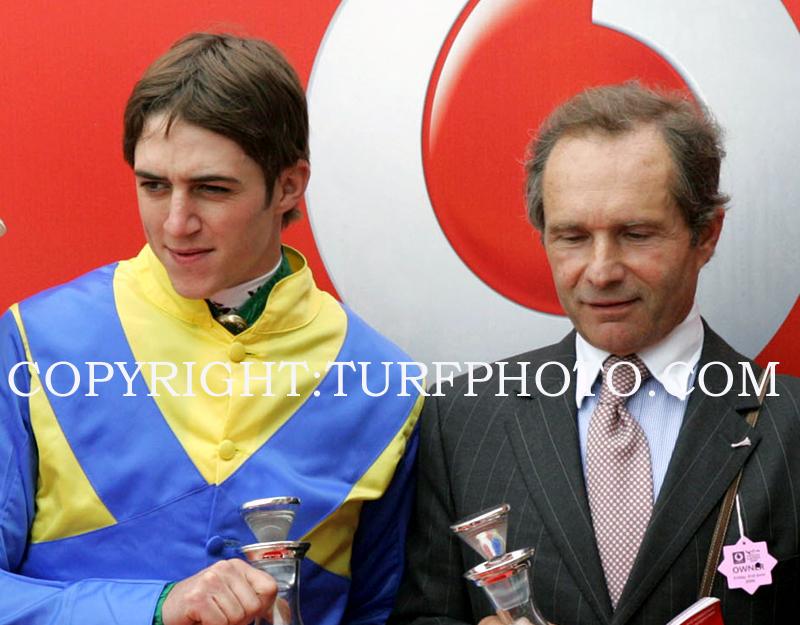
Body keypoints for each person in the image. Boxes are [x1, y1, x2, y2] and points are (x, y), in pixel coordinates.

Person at [0, 33, 422, 625]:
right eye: (154, 185)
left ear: (290, 186)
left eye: (211, 189)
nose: (176, 223)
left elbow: (381, 614)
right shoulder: (34, 339)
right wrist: (155, 609)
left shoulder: (387, 385)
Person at [389, 83, 800, 625]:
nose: (601, 271)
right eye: (573, 237)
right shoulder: (460, 419)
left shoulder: (791, 425)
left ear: (706, 235)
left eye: (636, 234)